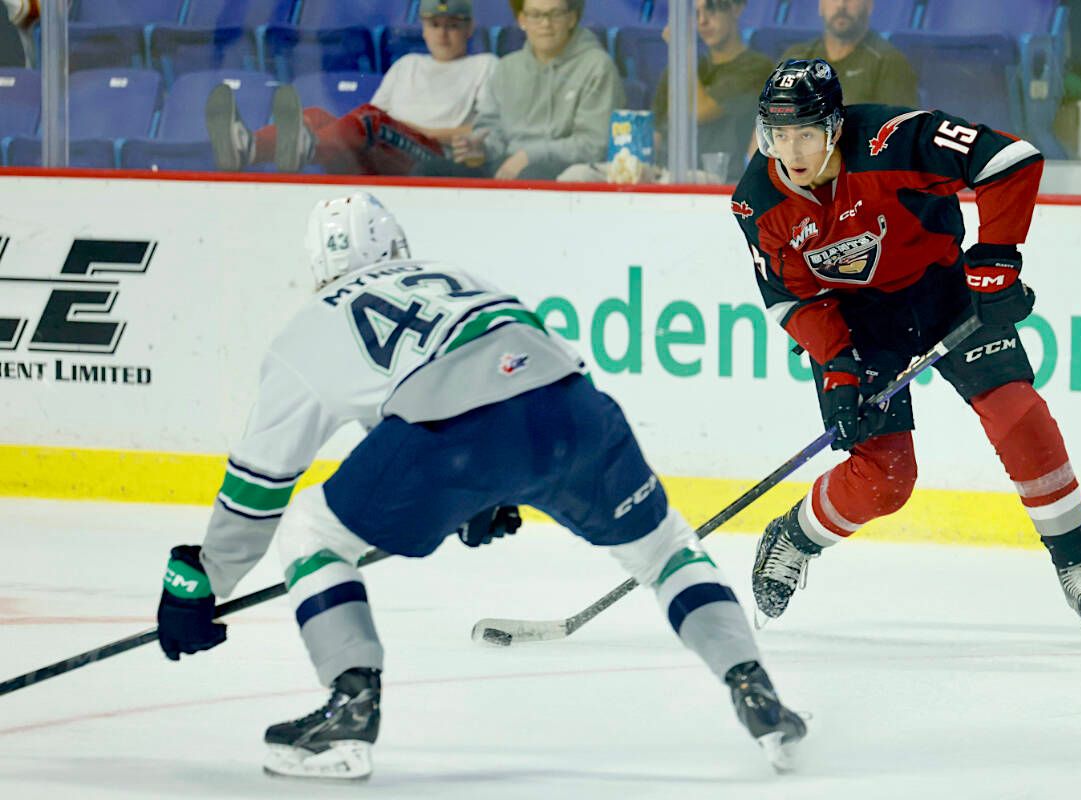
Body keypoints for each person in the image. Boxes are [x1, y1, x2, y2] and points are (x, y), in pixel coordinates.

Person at [154, 191, 806, 779]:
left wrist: (205, 579)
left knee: (309, 530)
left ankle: (350, 705)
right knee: (666, 549)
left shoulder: (309, 327)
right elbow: (521, 377)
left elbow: (259, 484)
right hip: (574, 410)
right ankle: (752, 685)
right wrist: (491, 491)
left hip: (449, 440)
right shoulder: (458, 279)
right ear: (397, 248)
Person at [731, 59, 1081, 646]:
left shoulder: (895, 139)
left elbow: (1008, 159)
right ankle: (794, 537)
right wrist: (838, 367)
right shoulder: (757, 202)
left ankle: (1078, 564)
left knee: (1017, 411)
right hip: (859, 325)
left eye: (807, 133)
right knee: (883, 481)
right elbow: (792, 298)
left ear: (836, 127)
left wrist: (995, 258)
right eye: (779, 135)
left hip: (943, 292)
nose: (792, 151)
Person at [205, 0, 497, 174]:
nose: (443, 33)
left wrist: (421, 131)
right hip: (388, 146)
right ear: (422, 28)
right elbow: (380, 122)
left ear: (469, 29)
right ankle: (250, 148)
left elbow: (485, 130)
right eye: (435, 24)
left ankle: (307, 147)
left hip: (434, 156)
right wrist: (394, 129)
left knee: (370, 121)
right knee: (316, 115)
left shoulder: (485, 65)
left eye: (452, 25)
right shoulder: (407, 64)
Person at [556, 0, 773, 184]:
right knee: (576, 176)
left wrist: (683, 48)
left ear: (737, 7)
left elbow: (697, 111)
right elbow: (658, 131)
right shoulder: (684, 68)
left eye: (712, 8)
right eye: (695, 13)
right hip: (664, 170)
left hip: (715, 177)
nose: (703, 21)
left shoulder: (756, 67)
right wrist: (631, 163)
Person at [414, 0, 623, 180]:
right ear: (522, 20)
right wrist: (479, 147)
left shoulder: (597, 66)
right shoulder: (507, 67)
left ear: (572, 18)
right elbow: (492, 129)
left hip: (557, 168)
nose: (545, 24)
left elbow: (594, 144)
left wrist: (530, 155)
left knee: (534, 175)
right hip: (502, 165)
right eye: (535, 15)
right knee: (428, 170)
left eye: (555, 14)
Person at [781, 0, 916, 107]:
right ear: (821, 6)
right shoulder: (796, 58)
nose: (841, 5)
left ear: (868, 5)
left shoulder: (889, 62)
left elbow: (898, 132)